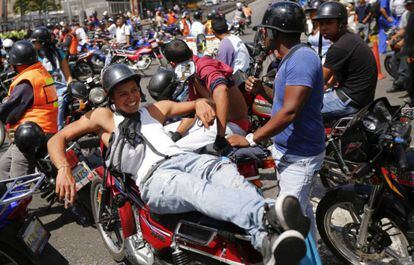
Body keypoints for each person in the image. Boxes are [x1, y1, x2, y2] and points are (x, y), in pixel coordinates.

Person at [47, 63, 310, 265]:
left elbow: (195, 102)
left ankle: (265, 236)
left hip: (187, 159)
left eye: (134, 91)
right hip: (155, 179)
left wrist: (200, 105)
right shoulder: (104, 116)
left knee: (224, 169)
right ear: (111, 98)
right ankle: (265, 217)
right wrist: (63, 169)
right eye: (123, 94)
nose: (131, 97)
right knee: (196, 189)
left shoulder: (153, 110)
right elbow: (57, 139)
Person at [229, 1, 326, 242]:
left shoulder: (301, 59)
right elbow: (284, 102)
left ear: (276, 32)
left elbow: (289, 112)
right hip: (290, 151)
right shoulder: (289, 57)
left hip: (300, 156)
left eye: (266, 30)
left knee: (288, 221)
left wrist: (251, 138)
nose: (263, 36)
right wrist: (263, 88)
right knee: (301, 213)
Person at [156, 39, 249, 153]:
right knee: (161, 132)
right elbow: (193, 112)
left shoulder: (204, 65)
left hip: (234, 125)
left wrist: (220, 137)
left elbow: (221, 89)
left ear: (172, 64)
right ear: (190, 51)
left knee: (174, 150)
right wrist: (177, 134)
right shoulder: (191, 72)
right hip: (212, 121)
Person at [0, 40, 58, 179]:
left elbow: (11, 112)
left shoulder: (27, 81)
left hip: (31, 136)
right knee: (2, 167)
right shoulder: (40, 72)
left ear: (16, 63)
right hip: (48, 128)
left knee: (17, 182)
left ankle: (19, 199)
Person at [313, 1, 378, 117]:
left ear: (341, 23)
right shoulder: (349, 39)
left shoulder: (339, 47)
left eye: (328, 23)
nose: (323, 28)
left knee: (302, 108)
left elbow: (318, 80)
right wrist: (328, 86)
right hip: (360, 97)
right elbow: (337, 71)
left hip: (350, 101)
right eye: (320, 23)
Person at [31, 26, 73, 130]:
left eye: (35, 42)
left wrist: (69, 88)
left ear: (43, 43)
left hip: (59, 91)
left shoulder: (59, 54)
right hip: (40, 91)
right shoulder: (33, 57)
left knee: (58, 102)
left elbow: (68, 77)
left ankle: (57, 131)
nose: (33, 44)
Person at [387, 0, 414, 93]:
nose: (407, 6)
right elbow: (405, 29)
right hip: (409, 44)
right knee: (393, 59)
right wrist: (395, 36)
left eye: (409, 4)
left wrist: (402, 42)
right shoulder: (407, 14)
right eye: (406, 5)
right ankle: (400, 83)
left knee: (404, 56)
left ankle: (403, 79)